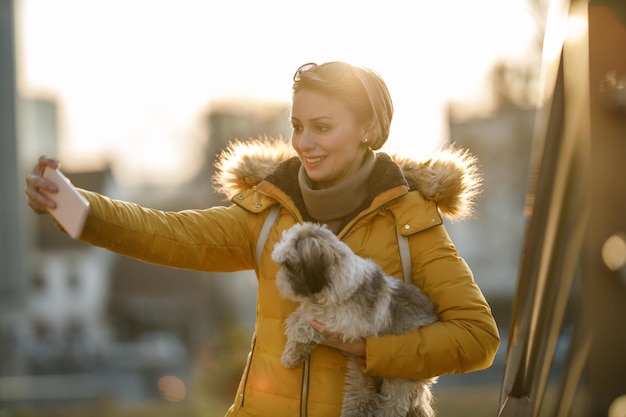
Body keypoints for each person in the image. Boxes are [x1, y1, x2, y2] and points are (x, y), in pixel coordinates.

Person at [25, 61, 500, 416]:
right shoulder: (266, 210)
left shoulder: (411, 220)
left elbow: (477, 337)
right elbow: (170, 234)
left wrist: (373, 352)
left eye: (322, 127)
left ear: (368, 129)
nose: (303, 142)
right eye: (297, 126)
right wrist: (78, 209)